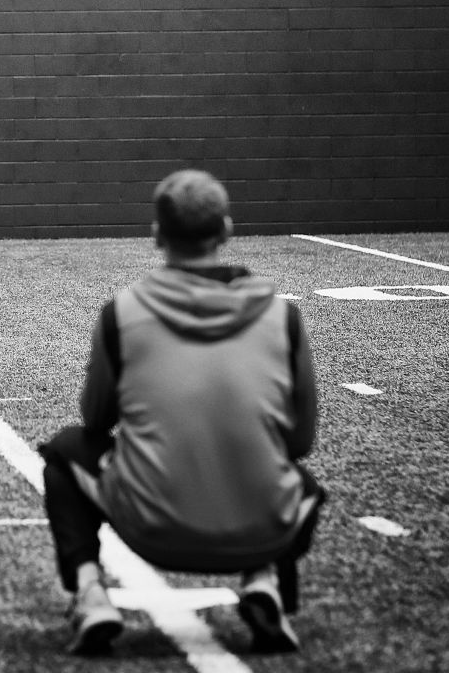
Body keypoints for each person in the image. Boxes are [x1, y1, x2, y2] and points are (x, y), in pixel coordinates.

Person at [38, 169, 325, 655]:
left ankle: (92, 596)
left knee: (65, 451)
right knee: (307, 486)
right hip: (261, 528)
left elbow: (95, 422)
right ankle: (264, 582)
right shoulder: (283, 317)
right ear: (227, 231)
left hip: (150, 527)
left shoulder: (122, 313)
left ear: (156, 235)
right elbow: (299, 443)